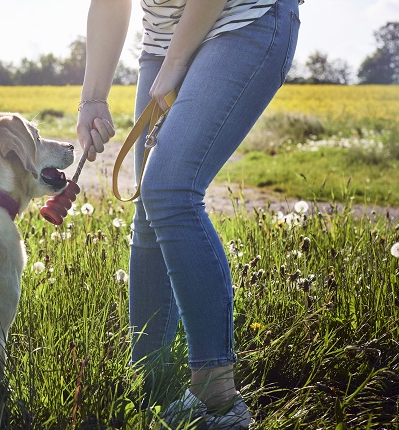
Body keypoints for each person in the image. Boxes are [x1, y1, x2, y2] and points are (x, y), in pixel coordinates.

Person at [77, 0, 301, 427]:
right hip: (161, 38)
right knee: (150, 211)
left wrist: (178, 59)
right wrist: (93, 98)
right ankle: (149, 388)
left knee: (170, 191)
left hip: (241, 18)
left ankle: (218, 400)